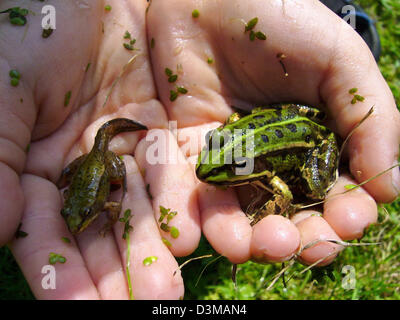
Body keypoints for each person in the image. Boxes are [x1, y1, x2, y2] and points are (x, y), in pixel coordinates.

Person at [1, 0, 398, 299]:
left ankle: (349, 24)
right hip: (275, 124)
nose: (205, 173)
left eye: (228, 168)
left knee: (312, 187)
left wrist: (275, 205)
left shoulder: (266, 173)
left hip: (306, 140)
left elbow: (283, 191)